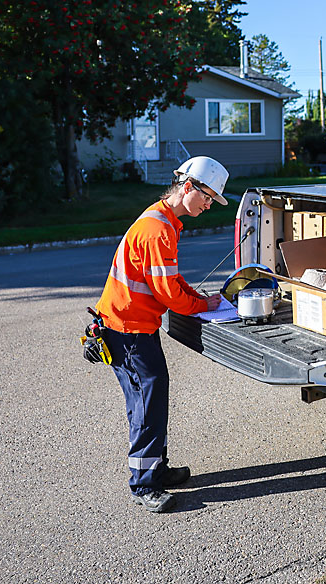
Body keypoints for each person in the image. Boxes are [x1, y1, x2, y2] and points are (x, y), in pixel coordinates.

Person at [94, 156, 229, 513]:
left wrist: (200, 298)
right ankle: (143, 483)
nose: (208, 205)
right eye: (208, 197)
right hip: (128, 331)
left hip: (134, 327)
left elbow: (169, 281)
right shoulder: (158, 230)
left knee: (152, 396)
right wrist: (204, 308)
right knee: (145, 402)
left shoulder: (163, 221)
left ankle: (157, 467)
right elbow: (168, 294)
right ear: (188, 187)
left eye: (213, 200)